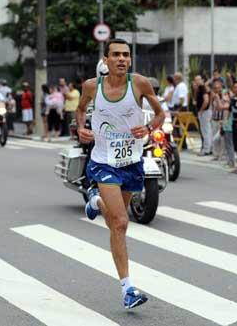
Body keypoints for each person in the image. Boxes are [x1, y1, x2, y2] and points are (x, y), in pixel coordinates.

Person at [75, 39, 164, 309]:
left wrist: (149, 128)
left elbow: (160, 114)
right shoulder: (92, 86)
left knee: (115, 221)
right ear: (106, 59)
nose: (122, 59)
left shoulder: (140, 84)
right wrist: (82, 128)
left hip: (132, 162)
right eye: (116, 55)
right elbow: (80, 110)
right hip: (103, 162)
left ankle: (94, 202)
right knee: (121, 223)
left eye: (126, 55)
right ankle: (128, 290)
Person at [210, 78, 230, 160]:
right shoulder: (214, 96)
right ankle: (216, 154)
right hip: (215, 118)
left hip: (222, 119)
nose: (217, 89)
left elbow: (223, 107)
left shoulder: (225, 95)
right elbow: (213, 107)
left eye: (218, 87)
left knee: (221, 139)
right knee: (214, 138)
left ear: (222, 87)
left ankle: (223, 155)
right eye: (215, 88)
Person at [194, 75, 211, 156]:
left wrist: (201, 110)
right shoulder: (199, 89)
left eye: (198, 80)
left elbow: (206, 100)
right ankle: (208, 147)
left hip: (204, 111)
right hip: (203, 111)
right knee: (205, 130)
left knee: (205, 130)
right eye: (195, 80)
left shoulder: (203, 88)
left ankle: (206, 149)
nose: (196, 82)